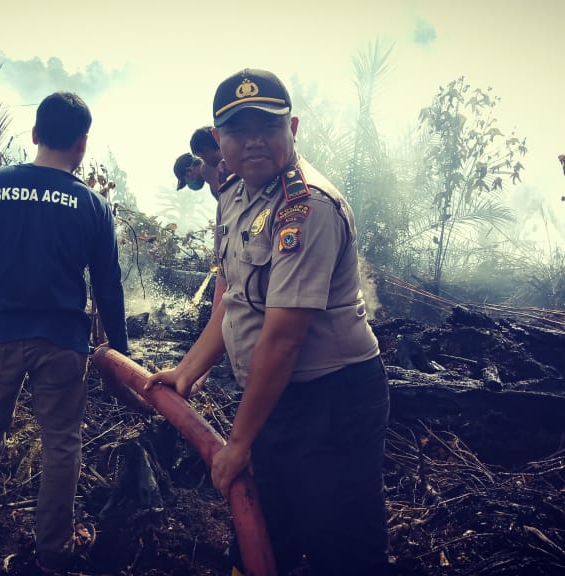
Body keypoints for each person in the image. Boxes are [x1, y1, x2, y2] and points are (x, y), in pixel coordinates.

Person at [147, 69, 391, 574]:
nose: (254, 141)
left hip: (332, 403)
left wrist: (238, 443)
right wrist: (187, 371)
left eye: (268, 126)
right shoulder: (234, 195)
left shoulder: (307, 207)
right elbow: (235, 299)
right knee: (264, 531)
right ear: (218, 141)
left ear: (292, 128)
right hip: (273, 397)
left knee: (341, 552)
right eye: (238, 130)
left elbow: (283, 340)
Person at [0, 91, 129, 574]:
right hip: (63, 342)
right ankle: (53, 550)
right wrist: (120, 351)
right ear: (82, 143)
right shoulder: (92, 205)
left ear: (34, 134)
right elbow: (108, 286)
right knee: (61, 442)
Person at [189, 125, 232, 200]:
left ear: (206, 149)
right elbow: (221, 201)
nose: (204, 162)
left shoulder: (234, 159)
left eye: (202, 157)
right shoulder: (209, 170)